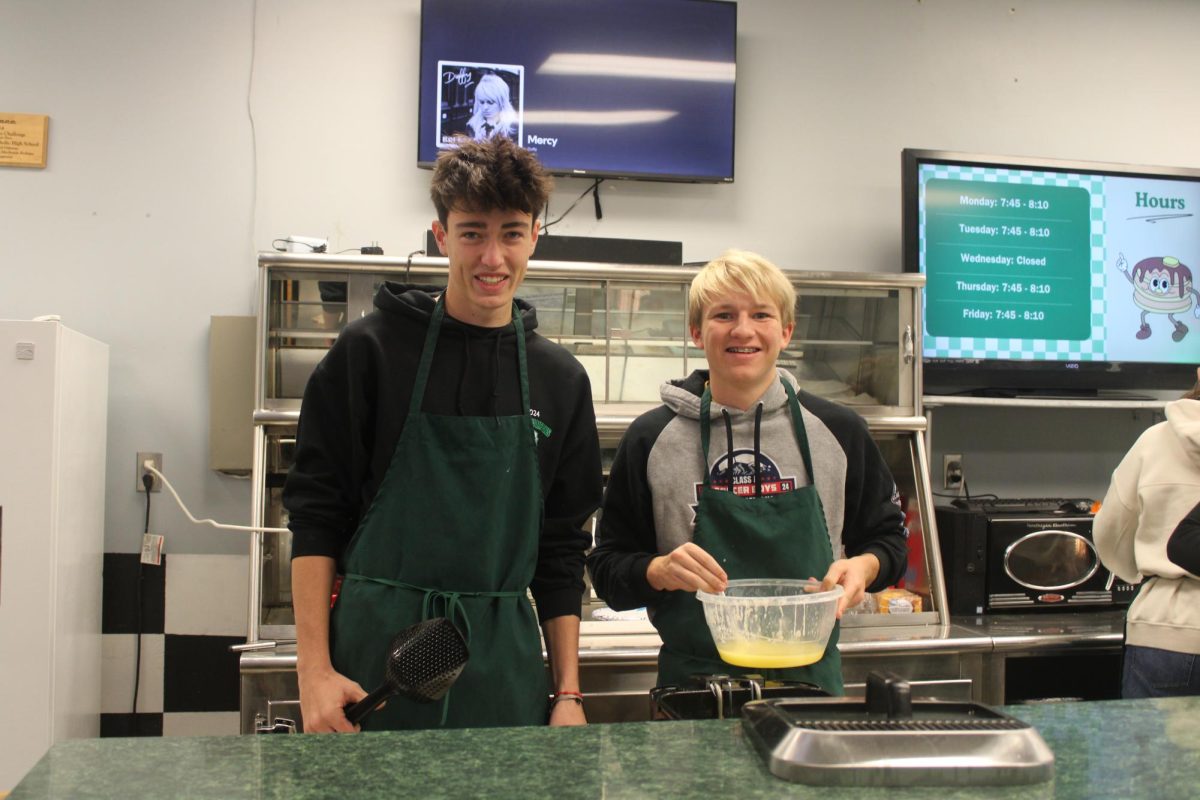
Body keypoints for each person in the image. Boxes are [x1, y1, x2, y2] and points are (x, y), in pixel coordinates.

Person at [284, 136, 602, 732]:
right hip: (373, 664)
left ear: (535, 235)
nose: (492, 257)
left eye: (511, 233)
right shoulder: (369, 352)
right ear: (441, 236)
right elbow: (315, 515)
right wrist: (313, 672)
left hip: (501, 669)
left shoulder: (560, 379)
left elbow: (561, 552)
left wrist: (568, 695)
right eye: (472, 232)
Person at [586, 250, 908, 694]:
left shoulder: (839, 430)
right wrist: (657, 570)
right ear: (697, 332)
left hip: (809, 686)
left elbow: (890, 541)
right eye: (724, 315)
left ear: (786, 331)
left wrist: (865, 567)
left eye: (761, 314)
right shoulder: (650, 438)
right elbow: (606, 570)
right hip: (693, 692)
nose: (743, 330)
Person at [1094, 368, 1200, 698]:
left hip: (1166, 629)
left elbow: (1111, 534)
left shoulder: (1155, 441)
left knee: (1154, 751)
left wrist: (1141, 572)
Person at [466, 73, 519, 142]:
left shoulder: (513, 127)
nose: (485, 108)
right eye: (482, 102)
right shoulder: (471, 126)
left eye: (490, 102)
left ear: (501, 102)